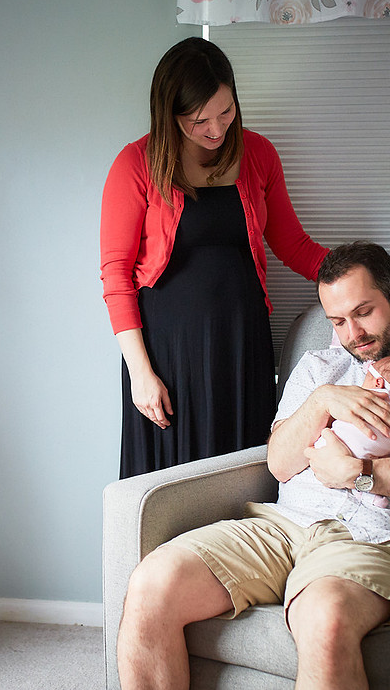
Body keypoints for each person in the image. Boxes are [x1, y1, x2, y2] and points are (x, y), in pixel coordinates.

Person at [116, 241, 390, 690]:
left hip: (376, 537)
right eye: (337, 321)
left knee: (325, 618)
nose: (352, 333)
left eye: (363, 312)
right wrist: (322, 401)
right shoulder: (319, 367)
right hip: (282, 527)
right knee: (151, 583)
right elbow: (279, 463)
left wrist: (359, 473)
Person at [100, 36, 328, 478]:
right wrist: (141, 374)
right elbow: (115, 275)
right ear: (170, 114)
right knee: (172, 487)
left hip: (242, 346)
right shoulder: (135, 164)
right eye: (198, 120)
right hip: (168, 355)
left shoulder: (259, 154)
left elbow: (294, 246)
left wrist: (366, 280)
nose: (216, 128)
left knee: (240, 481)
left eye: (226, 111)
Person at [313, 354, 390, 508]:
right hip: (370, 458)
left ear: (378, 382)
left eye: (367, 377)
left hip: (337, 443)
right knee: (375, 463)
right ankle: (369, 494)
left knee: (322, 438)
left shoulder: (362, 395)